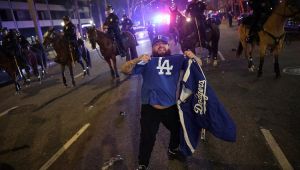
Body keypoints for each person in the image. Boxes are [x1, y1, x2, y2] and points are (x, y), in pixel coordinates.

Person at [121, 35, 202, 170]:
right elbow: (124, 69)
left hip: (170, 106)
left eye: (163, 43)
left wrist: (193, 56)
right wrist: (138, 59)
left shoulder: (177, 59)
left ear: (168, 46)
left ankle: (172, 149)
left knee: (179, 129)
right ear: (152, 48)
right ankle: (143, 165)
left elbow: (199, 65)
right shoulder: (147, 61)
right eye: (157, 44)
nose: (160, 46)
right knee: (147, 138)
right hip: (150, 108)